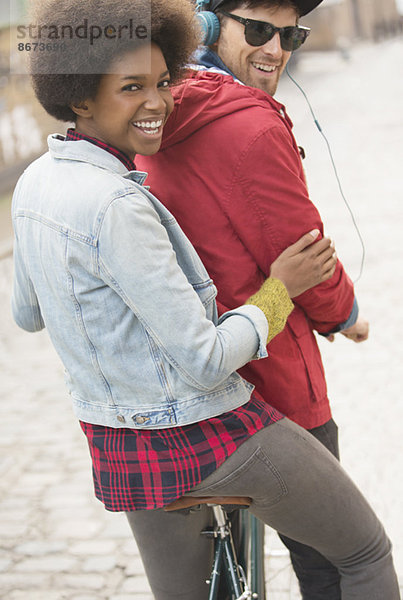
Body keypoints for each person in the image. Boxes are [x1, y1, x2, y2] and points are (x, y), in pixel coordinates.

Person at [11, 1, 400, 599]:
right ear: (80, 96)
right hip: (205, 430)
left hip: (116, 448)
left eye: (164, 82)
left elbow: (28, 313)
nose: (158, 101)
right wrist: (286, 292)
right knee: (360, 552)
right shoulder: (121, 203)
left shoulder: (35, 183)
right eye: (132, 87)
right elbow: (204, 357)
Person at [136, 1, 369, 597]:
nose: (277, 48)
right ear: (208, 26)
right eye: (260, 29)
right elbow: (305, 253)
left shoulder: (147, 112)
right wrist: (345, 315)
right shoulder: (253, 125)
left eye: (290, 33)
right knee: (341, 558)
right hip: (275, 387)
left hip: (186, 386)